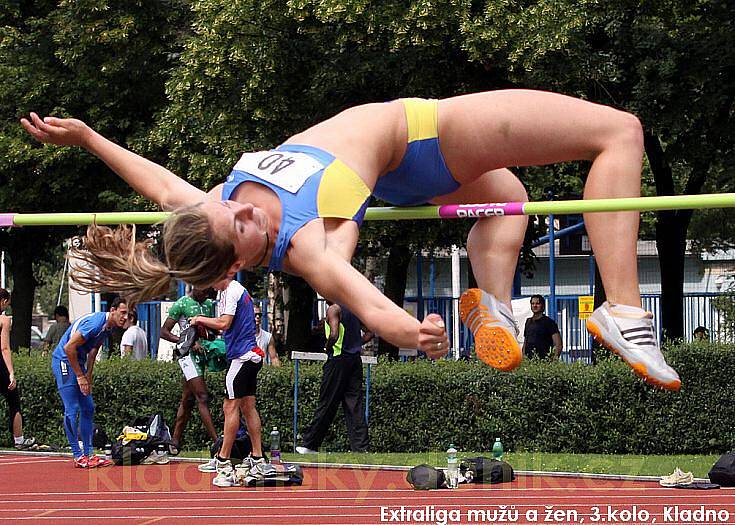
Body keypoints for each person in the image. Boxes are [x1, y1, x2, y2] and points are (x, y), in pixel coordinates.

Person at [22, 89, 680, 390]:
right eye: (244, 231)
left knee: (508, 202)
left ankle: (495, 304)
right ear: (241, 262)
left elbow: (159, 183)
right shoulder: (308, 244)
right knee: (618, 130)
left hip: (396, 173)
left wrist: (86, 137)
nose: (250, 212)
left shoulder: (211, 207)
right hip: (425, 136)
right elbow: (359, 294)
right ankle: (624, 310)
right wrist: (406, 331)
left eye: (235, 210)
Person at [190, 277, 265, 487]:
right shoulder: (233, 292)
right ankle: (258, 458)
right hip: (251, 355)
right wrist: (208, 328)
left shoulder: (231, 291)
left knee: (230, 406)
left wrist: (199, 319)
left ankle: (223, 461)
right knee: (248, 407)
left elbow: (224, 323)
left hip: (242, 357)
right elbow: (226, 328)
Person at [52, 296, 128, 467]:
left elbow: (93, 352)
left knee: (88, 407)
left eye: (127, 314)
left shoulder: (108, 328)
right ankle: (78, 455)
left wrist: (89, 376)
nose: (125, 317)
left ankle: (89, 453)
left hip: (78, 362)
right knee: (72, 408)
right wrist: (80, 376)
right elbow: (69, 347)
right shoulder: (95, 323)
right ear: (113, 311)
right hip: (64, 360)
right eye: (122, 313)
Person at [297, 301, 373, 454]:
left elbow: (334, 334)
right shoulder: (353, 308)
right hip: (354, 360)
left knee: (327, 402)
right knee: (354, 405)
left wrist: (327, 347)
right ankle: (361, 448)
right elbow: (370, 332)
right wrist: (356, 343)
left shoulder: (334, 309)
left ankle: (310, 445)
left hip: (337, 360)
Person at [160, 287, 222, 454]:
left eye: (208, 294)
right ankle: (218, 443)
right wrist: (187, 342)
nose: (206, 297)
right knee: (202, 396)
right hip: (186, 356)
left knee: (188, 399)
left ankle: (174, 442)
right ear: (195, 286)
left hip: (202, 355)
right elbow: (164, 332)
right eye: (204, 292)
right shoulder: (182, 303)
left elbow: (211, 331)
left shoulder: (208, 304)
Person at [0, 289, 36, 450]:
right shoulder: (4, 320)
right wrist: (11, 373)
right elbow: (5, 348)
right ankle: (19, 439)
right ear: (3, 301)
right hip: (0, 365)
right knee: (14, 401)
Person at [523, 295, 562, 361]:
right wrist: (523, 358)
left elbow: (558, 344)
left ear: (542, 306)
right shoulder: (528, 322)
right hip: (529, 364)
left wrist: (553, 361)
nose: (535, 306)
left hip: (544, 363)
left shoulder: (549, 322)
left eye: (537, 303)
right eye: (533, 303)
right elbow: (525, 342)